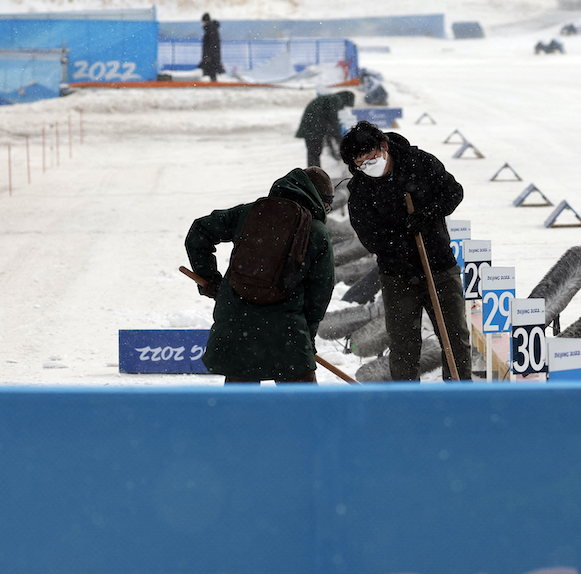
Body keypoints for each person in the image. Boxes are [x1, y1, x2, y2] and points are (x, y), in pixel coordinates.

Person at [339, 120, 472, 381]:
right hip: (398, 276)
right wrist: (401, 238)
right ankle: (407, 404)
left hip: (439, 267)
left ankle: (460, 397)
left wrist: (427, 214)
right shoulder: (360, 191)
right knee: (403, 346)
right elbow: (370, 238)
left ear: (384, 146)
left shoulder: (419, 163)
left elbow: (453, 192)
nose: (367, 164)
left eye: (371, 155)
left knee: (454, 338)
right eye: (360, 162)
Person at [185, 167, 336, 384]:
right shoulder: (317, 232)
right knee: (304, 412)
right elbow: (320, 294)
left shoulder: (249, 212)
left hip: (237, 324)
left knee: (240, 412)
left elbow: (200, 231)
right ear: (320, 200)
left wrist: (209, 279)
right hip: (287, 332)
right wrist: (307, 338)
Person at [295, 91, 355, 168]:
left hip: (310, 126)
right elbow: (333, 119)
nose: (343, 107)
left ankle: (313, 172)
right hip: (314, 128)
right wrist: (339, 137)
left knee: (313, 153)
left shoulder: (330, 98)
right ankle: (315, 174)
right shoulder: (335, 99)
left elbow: (329, 117)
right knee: (315, 152)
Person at [199, 13, 225, 82]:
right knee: (212, 73)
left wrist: (208, 56)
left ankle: (213, 85)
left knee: (211, 72)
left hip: (211, 57)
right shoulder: (212, 29)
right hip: (213, 56)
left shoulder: (210, 30)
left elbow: (211, 44)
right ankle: (213, 84)